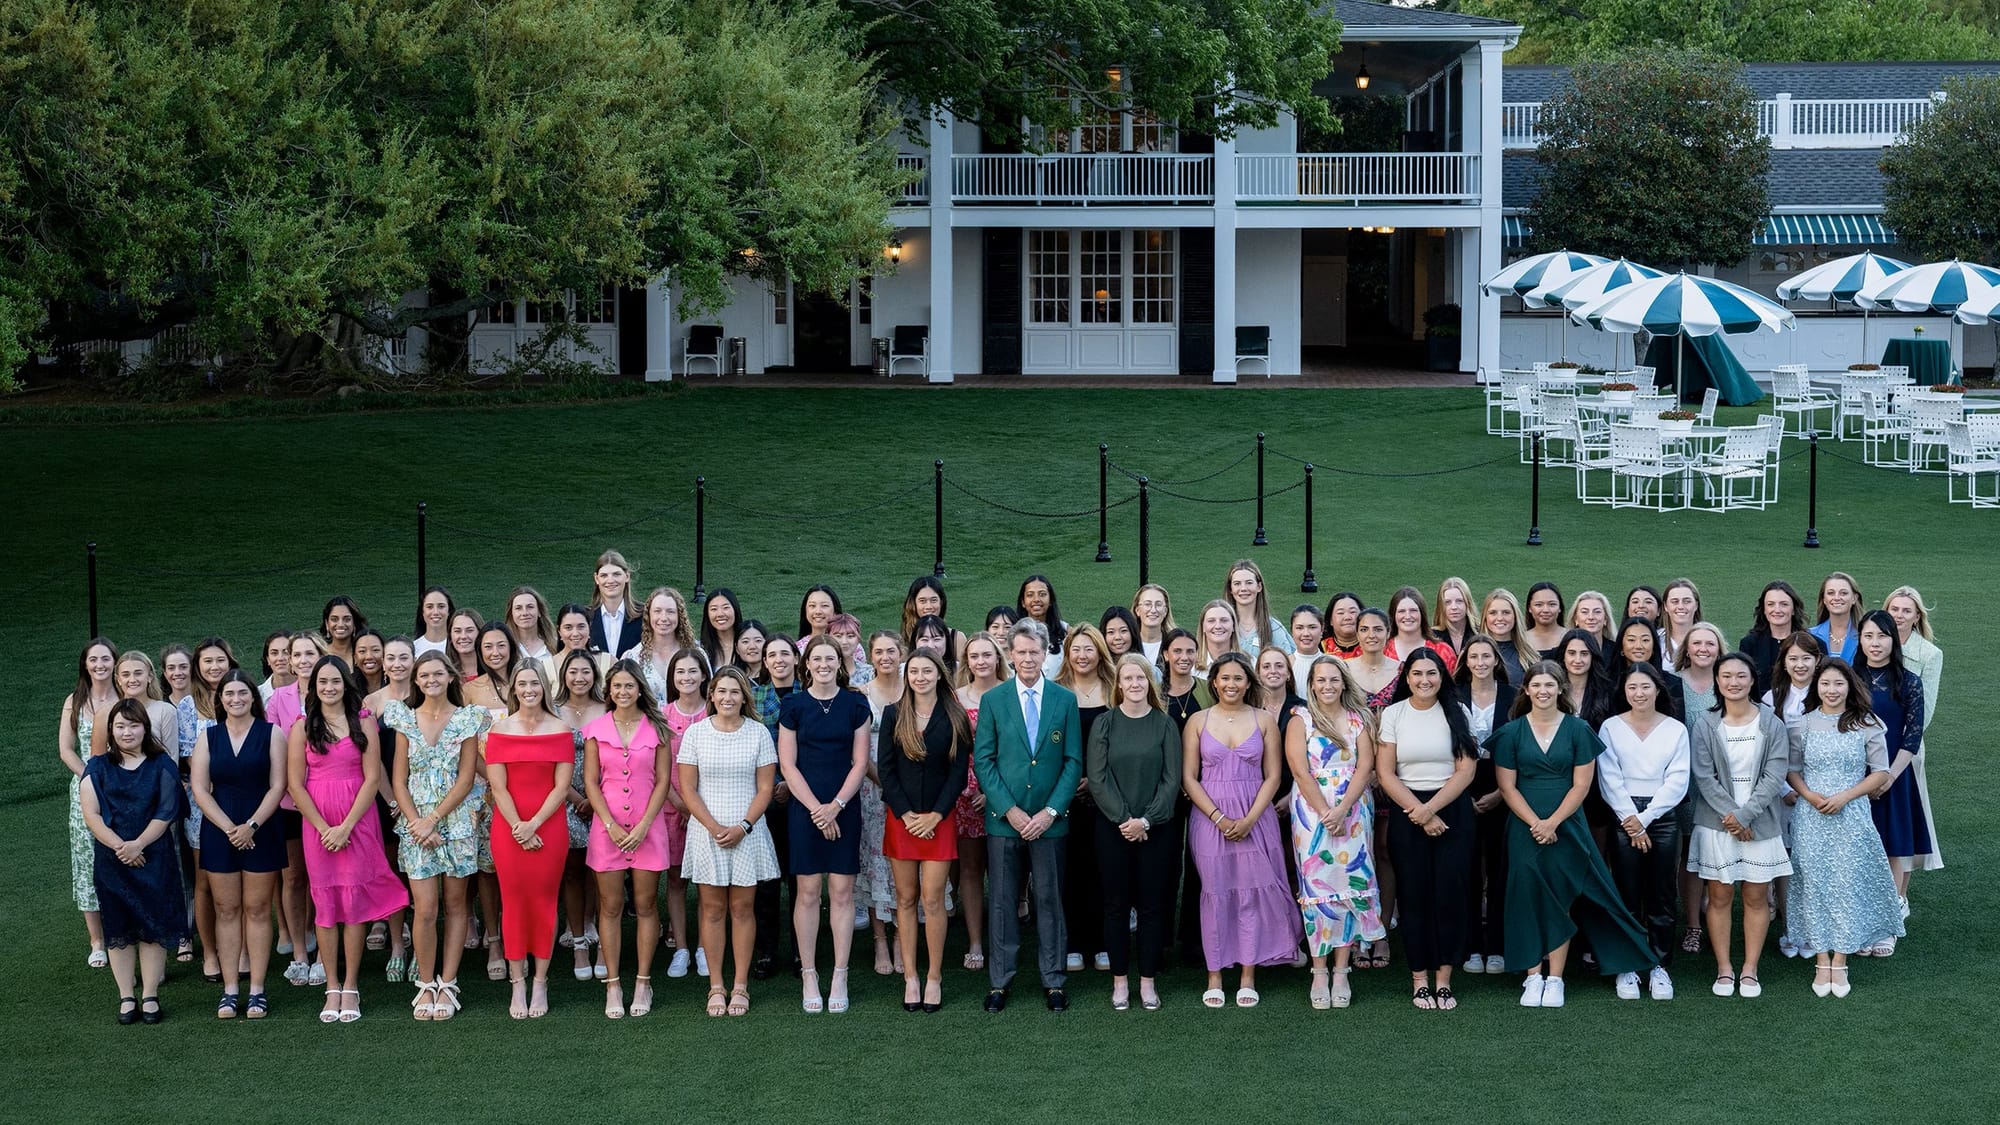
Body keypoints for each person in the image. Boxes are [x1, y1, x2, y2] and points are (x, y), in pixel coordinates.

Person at [1489, 663, 1657, 1009]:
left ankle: (1556, 979)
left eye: (1550, 685)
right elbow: (1506, 786)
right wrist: (1537, 822)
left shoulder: (1579, 730)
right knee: (1527, 896)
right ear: (1526, 690)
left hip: (1568, 826)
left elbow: (1582, 785)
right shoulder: (1510, 733)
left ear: (1560, 689)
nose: (1543, 691)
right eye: (1536, 685)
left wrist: (1552, 823)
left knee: (1562, 895)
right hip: (1524, 826)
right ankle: (1532, 976)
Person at [287, 655, 409, 1023]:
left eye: (335, 681)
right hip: (317, 826)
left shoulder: (364, 721)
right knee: (325, 906)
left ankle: (352, 986)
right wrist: (325, 828)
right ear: (314, 687)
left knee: (353, 903)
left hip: (358, 822)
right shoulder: (301, 726)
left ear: (346, 684)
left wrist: (345, 828)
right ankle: (331, 987)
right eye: (322, 682)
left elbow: (373, 777)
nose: (328, 687)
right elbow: (295, 783)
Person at [973, 620, 1083, 1013]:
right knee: (1002, 900)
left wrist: (1050, 811)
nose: (1027, 659)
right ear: (1010, 655)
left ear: (1045, 654)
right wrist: (1011, 810)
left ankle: (1053, 979)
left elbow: (1073, 761)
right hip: (1006, 821)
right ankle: (1000, 981)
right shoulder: (994, 700)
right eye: (1020, 652)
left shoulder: (1064, 700)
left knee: (1050, 899)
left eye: (1034, 652)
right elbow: (984, 761)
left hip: (1051, 822)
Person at [1182, 651, 1299, 1008]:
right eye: (1224, 678)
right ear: (1213, 682)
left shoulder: (1264, 720)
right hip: (1209, 818)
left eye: (1238, 678)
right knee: (1215, 894)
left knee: (1251, 895)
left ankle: (1248, 973)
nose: (1231, 684)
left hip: (1256, 816)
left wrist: (1249, 819)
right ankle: (1215, 974)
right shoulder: (1198, 721)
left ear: (1249, 682)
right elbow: (1189, 778)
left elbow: (1274, 776)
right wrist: (1218, 817)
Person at [1785, 658, 1904, 998]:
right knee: (1815, 882)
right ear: (1816, 687)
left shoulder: (1867, 724)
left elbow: (1880, 772)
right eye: (1825, 684)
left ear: (1850, 686)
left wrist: (1845, 797)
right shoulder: (1802, 725)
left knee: (1846, 882)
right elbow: (1792, 770)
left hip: (1851, 814)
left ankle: (1841, 959)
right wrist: (1809, 795)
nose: (1832, 690)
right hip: (1811, 814)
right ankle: (1821, 958)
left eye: (1838, 683)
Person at [384, 651, 487, 1020]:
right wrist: (417, 823)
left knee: (457, 905)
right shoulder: (403, 719)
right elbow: (398, 779)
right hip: (416, 827)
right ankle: (426, 984)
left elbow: (466, 777)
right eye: (424, 674)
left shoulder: (467, 719)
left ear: (450, 677)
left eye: (437, 674)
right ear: (416, 680)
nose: (430, 680)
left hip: (455, 823)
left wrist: (436, 819)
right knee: (425, 909)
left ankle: (448, 982)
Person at [1375, 649, 1478, 1010]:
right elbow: (1386, 772)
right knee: (1414, 896)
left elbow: (1466, 770)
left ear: (1442, 676)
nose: (1424, 681)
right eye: (1417, 674)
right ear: (1406, 678)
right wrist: (1417, 810)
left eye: (1431, 673)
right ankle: (1419, 978)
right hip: (1408, 809)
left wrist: (1431, 810)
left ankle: (1444, 979)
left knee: (1450, 895)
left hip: (1451, 809)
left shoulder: (1458, 711)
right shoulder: (1393, 714)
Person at [1686, 652, 1792, 998]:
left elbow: (1775, 775)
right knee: (1719, 895)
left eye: (1741, 676)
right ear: (1717, 681)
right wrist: (1733, 818)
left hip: (1760, 822)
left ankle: (1749, 969)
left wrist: (1745, 817)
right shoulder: (1705, 723)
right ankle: (1724, 969)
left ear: (1752, 680)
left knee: (1757, 895)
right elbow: (1703, 775)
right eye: (1726, 676)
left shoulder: (1772, 723)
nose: (1734, 682)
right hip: (1717, 825)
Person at [678, 667, 781, 1017]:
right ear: (711, 695)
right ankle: (716, 986)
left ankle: (740, 986)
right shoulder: (695, 734)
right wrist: (713, 826)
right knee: (712, 909)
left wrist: (743, 826)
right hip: (708, 833)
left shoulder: (758, 734)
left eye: (735, 692)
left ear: (744, 697)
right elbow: (688, 788)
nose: (727, 698)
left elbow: (766, 788)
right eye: (721, 691)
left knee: (741, 909)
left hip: (747, 832)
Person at [777, 635, 872, 1013]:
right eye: (817, 658)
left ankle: (840, 974)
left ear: (840, 662)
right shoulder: (794, 705)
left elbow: (861, 762)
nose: (823, 664)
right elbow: (787, 764)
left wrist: (835, 806)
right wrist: (818, 809)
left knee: (843, 892)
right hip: (805, 807)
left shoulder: (855, 704)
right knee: (808, 892)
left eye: (830, 658)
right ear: (807, 664)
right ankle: (810, 974)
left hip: (844, 805)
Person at [1286, 655, 1385, 1009]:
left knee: (1348, 886)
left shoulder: (1359, 720)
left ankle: (1342, 970)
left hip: (1354, 810)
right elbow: (1299, 769)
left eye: (1333, 679)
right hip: (1312, 813)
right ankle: (1319, 971)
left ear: (1343, 682)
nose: (1327, 686)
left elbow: (1365, 766)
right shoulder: (1301, 720)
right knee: (1317, 887)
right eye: (1320, 680)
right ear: (1311, 683)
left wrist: (1343, 809)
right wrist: (1326, 812)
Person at [81, 699, 188, 1025]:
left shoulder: (162, 766)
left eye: (134, 725)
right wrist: (120, 846)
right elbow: (91, 814)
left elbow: (167, 811)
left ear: (145, 728)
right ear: (110, 731)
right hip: (112, 862)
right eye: (120, 726)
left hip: (153, 857)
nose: (127, 732)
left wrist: (138, 843)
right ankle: (127, 996)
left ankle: (150, 994)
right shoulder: (97, 767)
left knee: (152, 927)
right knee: (119, 928)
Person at [1088, 653, 1182, 1012]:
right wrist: (1125, 819)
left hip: (1155, 830)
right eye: (1127, 678)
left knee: (1152, 906)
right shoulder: (1105, 724)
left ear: (1150, 682)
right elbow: (1097, 778)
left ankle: (1147, 982)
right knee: (1114, 905)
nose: (1134, 684)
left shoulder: (1164, 724)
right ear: (1119, 684)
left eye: (1140, 678)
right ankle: (1120, 982)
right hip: (1113, 830)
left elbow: (1172, 780)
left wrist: (1146, 820)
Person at [583, 661, 676, 1019]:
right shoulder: (595, 729)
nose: (623, 692)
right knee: (609, 906)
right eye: (617, 686)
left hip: (647, 829)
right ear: (609, 690)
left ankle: (642, 980)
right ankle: (613, 984)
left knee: (647, 904)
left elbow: (663, 781)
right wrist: (609, 825)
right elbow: (591, 781)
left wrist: (643, 826)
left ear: (640, 689)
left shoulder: (658, 730)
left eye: (629, 686)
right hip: (607, 831)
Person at [878, 651, 970, 1013]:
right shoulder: (893, 714)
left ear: (939, 675)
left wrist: (934, 815)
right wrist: (906, 814)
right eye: (913, 671)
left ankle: (934, 976)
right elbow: (886, 769)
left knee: (933, 899)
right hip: (902, 821)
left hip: (939, 819)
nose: (919, 677)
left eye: (926, 671)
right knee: (905, 898)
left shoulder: (955, 716)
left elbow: (958, 773)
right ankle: (910, 977)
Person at [191, 671, 286, 1019]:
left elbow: (278, 786)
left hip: (261, 826)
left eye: (242, 693)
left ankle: (257, 988)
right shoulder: (208, 736)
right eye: (228, 694)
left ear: (252, 697)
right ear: (220, 700)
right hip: (220, 829)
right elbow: (200, 789)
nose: (235, 699)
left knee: (258, 909)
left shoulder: (272, 733)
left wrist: (251, 825)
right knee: (226, 909)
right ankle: (231, 989)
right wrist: (230, 827)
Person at [486, 662, 575, 1019]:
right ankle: (517, 982)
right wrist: (519, 827)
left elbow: (562, 787)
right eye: (522, 683)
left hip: (548, 829)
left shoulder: (560, 729)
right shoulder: (499, 730)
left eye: (534, 683)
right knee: (514, 903)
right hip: (508, 831)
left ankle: (540, 981)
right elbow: (498, 786)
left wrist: (534, 823)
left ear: (544, 687)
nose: (528, 689)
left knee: (543, 902)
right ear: (513, 689)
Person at [1597, 663, 1689, 1000]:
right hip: (1624, 815)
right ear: (1624, 691)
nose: (1639, 693)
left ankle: (1659, 966)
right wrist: (1629, 819)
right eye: (1633, 687)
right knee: (1627, 893)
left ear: (1658, 690)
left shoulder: (1675, 729)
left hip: (1661, 815)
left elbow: (1678, 778)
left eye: (1646, 687)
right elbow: (1609, 777)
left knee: (1662, 895)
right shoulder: (1610, 727)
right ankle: (1628, 965)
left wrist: (1646, 819)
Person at [1854, 610, 1928, 939]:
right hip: (1853, 778)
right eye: (1868, 636)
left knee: (1891, 848)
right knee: (1856, 848)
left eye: (1882, 636)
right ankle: (1857, 917)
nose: (1875, 643)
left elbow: (1911, 737)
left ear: (1893, 640)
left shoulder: (1909, 682)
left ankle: (1888, 922)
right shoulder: (1848, 677)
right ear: (1860, 639)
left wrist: (1888, 777)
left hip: (1895, 778)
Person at [1456, 636, 1517, 974]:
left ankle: (1497, 945)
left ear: (1496, 660)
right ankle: (1470, 947)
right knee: (1467, 869)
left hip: (1502, 787)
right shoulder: (1453, 697)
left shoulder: (1511, 697)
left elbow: (1521, 745)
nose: (1480, 662)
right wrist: (1461, 792)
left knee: (1499, 870)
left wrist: (1500, 792)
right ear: (1466, 661)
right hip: (1461, 787)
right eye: (1473, 656)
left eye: (1486, 656)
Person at [1056, 623, 1115, 973]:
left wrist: (1096, 781)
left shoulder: (1113, 690)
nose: (1082, 656)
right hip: (1065, 797)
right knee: (1070, 870)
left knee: (1104, 869)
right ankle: (1074, 943)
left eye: (1088, 649)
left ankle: (1104, 943)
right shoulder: (1056, 691)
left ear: (1099, 652)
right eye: (1075, 649)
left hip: (1106, 795)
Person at [61, 637, 120, 968]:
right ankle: (97, 940)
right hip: (85, 788)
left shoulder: (124, 697)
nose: (99, 665)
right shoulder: (75, 700)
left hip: (124, 787)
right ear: (85, 664)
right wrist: (90, 776)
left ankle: (123, 928)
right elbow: (66, 749)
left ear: (115, 661)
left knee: (121, 854)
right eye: (93, 660)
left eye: (105, 659)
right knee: (86, 860)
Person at [1881, 586, 1943, 881]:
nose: (1900, 616)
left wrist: (1899, 744)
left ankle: (1901, 896)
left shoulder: (1929, 654)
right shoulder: (1875, 644)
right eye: (1895, 609)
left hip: (1906, 748)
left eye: (1907, 610)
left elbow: (1924, 712)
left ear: (1918, 616)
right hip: (1871, 745)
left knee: (1905, 822)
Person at [553, 649, 607, 982]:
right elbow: (547, 760)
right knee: (572, 871)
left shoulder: (606, 709)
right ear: (564, 676)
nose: (579, 678)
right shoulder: (554, 711)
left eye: (586, 671)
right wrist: (576, 798)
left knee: (601, 873)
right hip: (565, 799)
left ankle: (600, 935)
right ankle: (578, 943)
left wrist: (595, 799)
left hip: (605, 799)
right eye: (573, 672)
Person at [952, 633, 1005, 973]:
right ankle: (974, 941)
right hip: (965, 792)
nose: (981, 661)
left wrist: (994, 791)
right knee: (970, 869)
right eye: (974, 655)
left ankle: (1002, 939)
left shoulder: (1010, 694)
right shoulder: (955, 699)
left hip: (1004, 788)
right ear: (967, 661)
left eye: (987, 654)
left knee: (1002, 871)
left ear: (998, 657)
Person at [856, 632, 904, 975]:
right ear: (870, 656)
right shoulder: (862, 695)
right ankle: (879, 941)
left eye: (891, 650)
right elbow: (857, 749)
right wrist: (884, 783)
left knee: (902, 863)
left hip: (911, 789)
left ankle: (903, 936)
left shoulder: (913, 687)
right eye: (879, 651)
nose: (885, 656)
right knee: (876, 863)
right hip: (872, 790)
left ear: (901, 653)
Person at [659, 649, 707, 979]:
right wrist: (680, 804)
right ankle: (680, 948)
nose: (686, 678)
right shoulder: (661, 717)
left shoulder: (714, 712)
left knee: (705, 882)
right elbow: (656, 769)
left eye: (692, 671)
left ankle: (705, 946)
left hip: (708, 810)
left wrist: (697, 808)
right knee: (675, 879)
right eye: (680, 673)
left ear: (704, 675)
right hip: (670, 806)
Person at [626, 586, 697, 698]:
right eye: (657, 611)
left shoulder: (696, 653)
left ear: (680, 616)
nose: (663, 618)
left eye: (670, 611)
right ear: (648, 615)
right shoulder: (634, 657)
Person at [1612, 617, 1686, 723]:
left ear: (1654, 646)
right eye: (1631, 640)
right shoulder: (1607, 683)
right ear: (1621, 646)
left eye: (1645, 640)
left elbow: (1677, 725)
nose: (1638, 646)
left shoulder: (1672, 683)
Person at [1739, 580, 1807, 695]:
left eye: (1784, 604)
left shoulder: (1811, 644)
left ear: (1794, 609)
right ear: (1764, 610)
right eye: (1771, 604)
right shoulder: (1749, 644)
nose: (1777, 610)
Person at [1224, 559, 1294, 657]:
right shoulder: (1221, 626)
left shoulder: (1273, 627)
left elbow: (1289, 663)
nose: (1243, 588)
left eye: (1249, 582)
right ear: (1230, 589)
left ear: (1259, 586)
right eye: (1237, 583)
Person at [1386, 586, 1456, 673]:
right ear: (1393, 615)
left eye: (1413, 610)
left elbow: (1452, 686)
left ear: (1422, 614)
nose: (1408, 616)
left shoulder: (1443, 652)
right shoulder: (1381, 650)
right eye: (1401, 611)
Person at [588, 549, 644, 657]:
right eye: (604, 575)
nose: (610, 580)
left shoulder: (645, 615)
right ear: (596, 578)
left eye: (616, 574)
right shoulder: (585, 617)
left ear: (627, 576)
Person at [903, 575, 969, 665]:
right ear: (913, 604)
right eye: (922, 601)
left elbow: (966, 674)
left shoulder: (957, 638)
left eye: (933, 600)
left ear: (941, 602)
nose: (929, 606)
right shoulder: (903, 641)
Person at [1015, 575, 1069, 676]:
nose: (1036, 599)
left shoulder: (1065, 632)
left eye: (1042, 594)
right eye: (1030, 595)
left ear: (1051, 601)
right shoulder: (1013, 633)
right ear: (1023, 602)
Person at [1482, 588, 1538, 683]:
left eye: (1506, 612)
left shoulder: (1529, 655)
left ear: (1515, 617)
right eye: (1493, 613)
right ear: (1485, 617)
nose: (1499, 618)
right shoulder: (1471, 652)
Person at [1347, 609, 1398, 710]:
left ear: (1388, 633)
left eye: (1378, 629)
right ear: (1357, 634)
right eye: (1364, 630)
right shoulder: (1344, 670)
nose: (1371, 635)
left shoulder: (1402, 670)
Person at [1809, 571, 1863, 662]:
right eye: (1831, 593)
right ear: (1824, 599)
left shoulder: (1865, 636)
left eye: (1843, 593)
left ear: (1854, 598)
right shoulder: (1810, 635)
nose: (1837, 598)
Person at [1659, 579, 1703, 666]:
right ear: (1665, 606)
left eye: (1687, 601)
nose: (1680, 606)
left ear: (1696, 605)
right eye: (1675, 602)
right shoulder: (1655, 640)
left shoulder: (1710, 639)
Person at [1192, 600, 1239, 679]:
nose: (1218, 626)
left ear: (1233, 626)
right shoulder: (1190, 664)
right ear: (1203, 627)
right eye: (1211, 621)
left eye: (1224, 620)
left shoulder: (1250, 662)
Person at [700, 587, 744, 670]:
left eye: (726, 607)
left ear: (735, 610)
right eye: (714, 609)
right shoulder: (701, 650)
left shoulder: (747, 645)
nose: (720, 614)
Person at [1131, 583, 1176, 663]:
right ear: (1137, 610)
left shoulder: (1175, 643)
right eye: (1147, 604)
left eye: (1158, 605)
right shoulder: (1128, 644)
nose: (1153, 610)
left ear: (1165, 611)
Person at [1287, 605, 1326, 696]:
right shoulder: (1285, 664)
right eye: (1299, 628)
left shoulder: (1333, 664)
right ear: (1292, 631)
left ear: (1322, 630)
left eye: (1312, 627)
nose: (1306, 634)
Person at [1432, 577, 1476, 655]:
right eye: (1448, 602)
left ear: (1467, 603)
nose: (1454, 607)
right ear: (1441, 606)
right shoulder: (1432, 637)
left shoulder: (1480, 633)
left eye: (1459, 601)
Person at [1523, 582, 1567, 656]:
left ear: (1560, 608)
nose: (1546, 610)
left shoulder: (1570, 637)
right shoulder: (1520, 640)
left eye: (1552, 604)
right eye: (1538, 605)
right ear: (1529, 608)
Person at [321, 596, 366, 667]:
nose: (340, 624)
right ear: (327, 623)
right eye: (334, 619)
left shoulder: (364, 654)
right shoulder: (319, 654)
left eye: (347, 619)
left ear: (354, 623)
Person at [1320, 592, 1363, 659]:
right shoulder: (1319, 646)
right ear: (1331, 620)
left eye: (1352, 612)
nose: (1347, 617)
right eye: (1340, 613)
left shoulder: (1374, 644)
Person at [414, 586, 454, 657]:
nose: (435, 612)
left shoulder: (458, 645)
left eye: (441, 606)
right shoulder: (413, 648)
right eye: (429, 607)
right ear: (422, 612)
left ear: (449, 611)